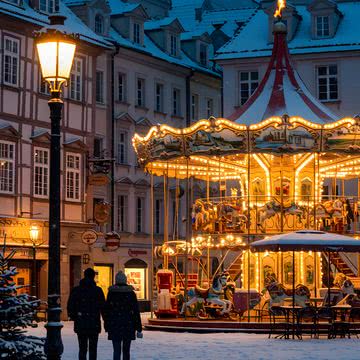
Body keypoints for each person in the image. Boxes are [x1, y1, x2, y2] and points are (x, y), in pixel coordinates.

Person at [67, 268, 105, 360]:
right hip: (94, 323)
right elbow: (103, 307)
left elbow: (70, 306)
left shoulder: (76, 290)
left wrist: (75, 317)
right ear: (93, 277)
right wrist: (106, 320)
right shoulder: (98, 290)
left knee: (82, 348)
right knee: (93, 349)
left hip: (81, 323)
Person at [104, 271, 142, 360]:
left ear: (116, 280)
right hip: (128, 324)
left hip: (115, 324)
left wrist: (107, 325)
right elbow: (136, 311)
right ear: (125, 280)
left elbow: (107, 311)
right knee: (126, 350)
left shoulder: (111, 293)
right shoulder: (130, 293)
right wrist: (138, 327)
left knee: (116, 350)